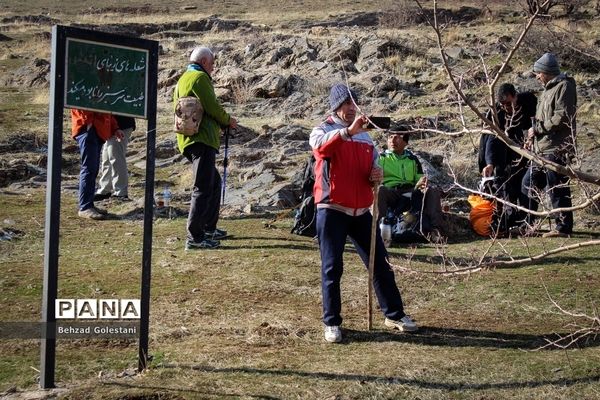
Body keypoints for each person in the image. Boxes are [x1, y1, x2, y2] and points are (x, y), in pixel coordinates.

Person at [310, 83, 417, 343]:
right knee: (332, 267)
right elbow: (321, 150)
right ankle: (332, 322)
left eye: (353, 104)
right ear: (335, 107)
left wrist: (375, 174)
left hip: (360, 211)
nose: (350, 108)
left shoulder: (366, 138)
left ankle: (393, 314)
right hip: (332, 207)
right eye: (346, 104)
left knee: (379, 262)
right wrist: (347, 132)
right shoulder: (322, 130)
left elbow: (374, 167)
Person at [174, 46, 237, 250]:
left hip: (190, 139)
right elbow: (212, 107)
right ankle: (196, 237)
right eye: (211, 63)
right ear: (203, 62)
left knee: (213, 183)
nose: (213, 67)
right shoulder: (199, 78)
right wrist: (228, 120)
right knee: (202, 187)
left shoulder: (184, 78)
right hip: (202, 140)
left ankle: (209, 227)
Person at [520, 53, 577, 238]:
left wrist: (539, 129)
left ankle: (563, 227)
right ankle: (529, 224)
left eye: (538, 72)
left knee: (557, 186)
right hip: (541, 148)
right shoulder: (546, 91)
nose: (536, 76)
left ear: (546, 71)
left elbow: (562, 117)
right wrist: (533, 134)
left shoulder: (565, 87)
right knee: (528, 183)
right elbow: (540, 120)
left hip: (557, 147)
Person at [479, 83, 537, 230]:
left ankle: (527, 221)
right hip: (499, 151)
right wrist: (490, 163)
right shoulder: (496, 114)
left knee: (524, 183)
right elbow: (491, 141)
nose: (506, 107)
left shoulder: (528, 101)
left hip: (520, 148)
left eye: (509, 103)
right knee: (504, 185)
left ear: (515, 96)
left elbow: (534, 121)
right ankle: (507, 220)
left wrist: (531, 137)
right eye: (503, 104)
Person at [71, 109, 123, 220]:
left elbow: (106, 111)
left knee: (93, 169)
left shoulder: (102, 94)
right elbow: (81, 106)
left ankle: (89, 204)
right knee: (89, 169)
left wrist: (115, 128)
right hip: (89, 129)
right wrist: (90, 124)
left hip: (98, 131)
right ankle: (85, 207)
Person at [95, 115, 136, 201]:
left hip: (122, 125)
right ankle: (105, 189)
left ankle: (121, 192)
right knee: (106, 158)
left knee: (116, 157)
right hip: (110, 126)